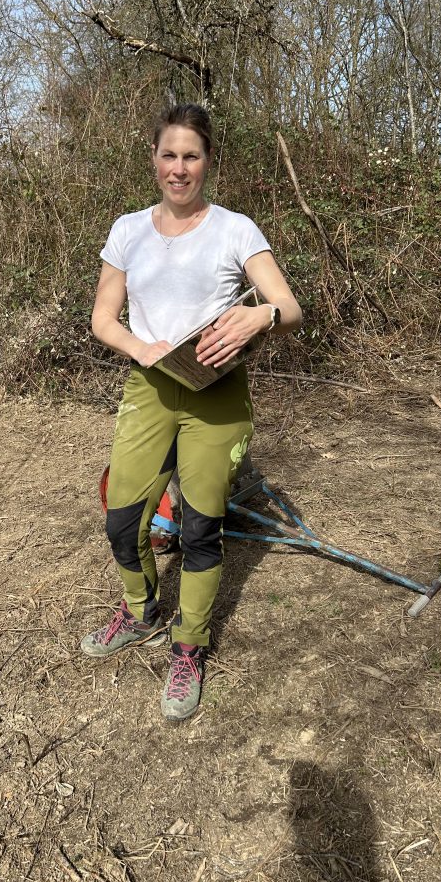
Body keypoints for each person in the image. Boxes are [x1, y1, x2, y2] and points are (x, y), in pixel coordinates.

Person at [81, 103, 302, 720]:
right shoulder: (128, 230)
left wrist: (261, 315)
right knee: (122, 520)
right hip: (150, 388)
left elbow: (289, 307)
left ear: (207, 162)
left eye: (191, 156)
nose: (179, 168)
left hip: (217, 398)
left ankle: (189, 645)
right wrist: (142, 348)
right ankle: (141, 610)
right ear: (154, 159)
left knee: (201, 528)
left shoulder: (236, 229)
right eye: (169, 155)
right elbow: (102, 318)